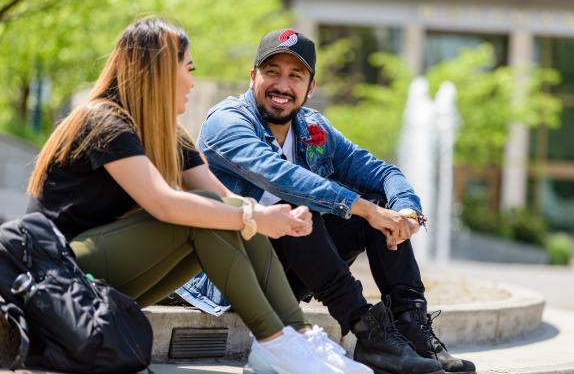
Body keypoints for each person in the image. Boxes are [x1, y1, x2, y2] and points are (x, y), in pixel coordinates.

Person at [25, 18, 372, 374]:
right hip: (60, 273)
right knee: (210, 213)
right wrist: (253, 216)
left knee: (227, 211)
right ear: (157, 70)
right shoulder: (104, 122)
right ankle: (274, 341)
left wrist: (272, 219)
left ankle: (297, 337)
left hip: (108, 282)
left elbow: (225, 199)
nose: (191, 82)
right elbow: (164, 203)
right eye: (186, 69)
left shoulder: (167, 132)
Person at [182, 28, 477, 374]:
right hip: (231, 274)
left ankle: (412, 329)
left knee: (377, 200)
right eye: (272, 71)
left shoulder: (313, 130)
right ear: (253, 77)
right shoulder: (227, 122)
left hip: (286, 272)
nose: (282, 85)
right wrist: (363, 208)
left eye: (296, 76)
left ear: (310, 88)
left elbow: (382, 172)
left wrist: (405, 211)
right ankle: (370, 336)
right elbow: (282, 178)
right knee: (300, 209)